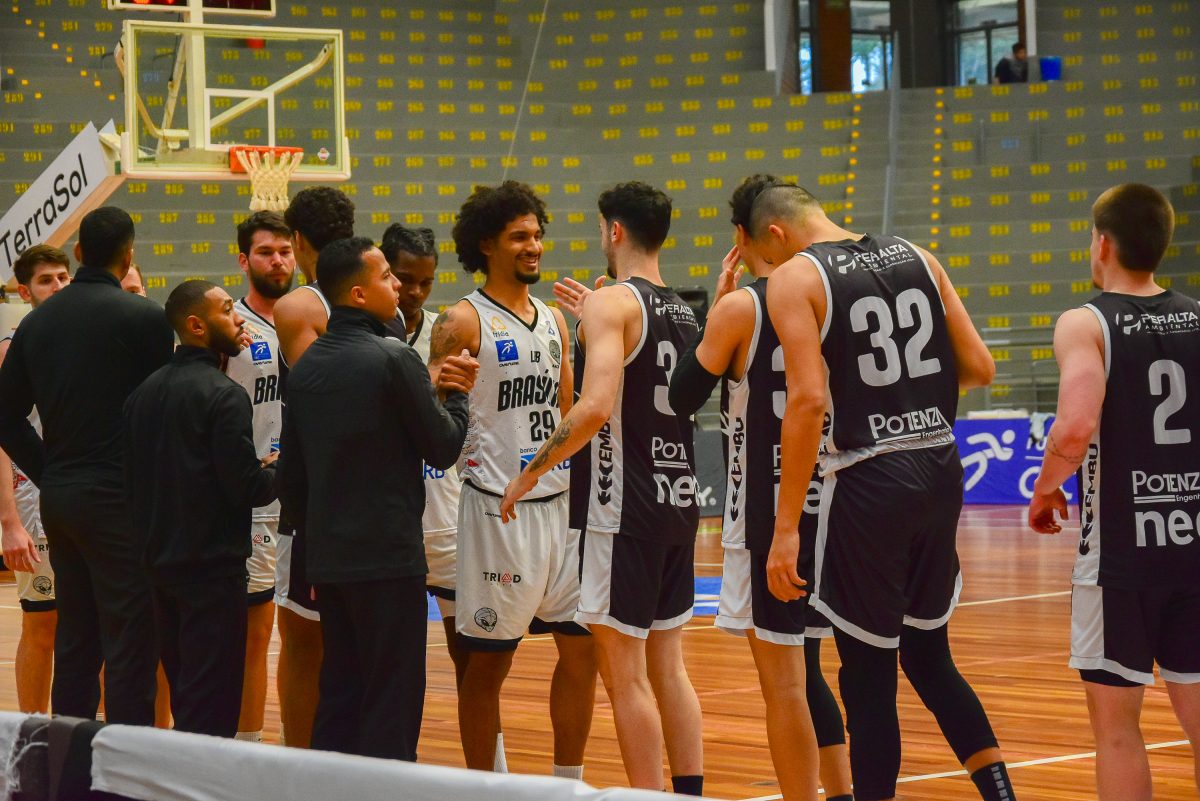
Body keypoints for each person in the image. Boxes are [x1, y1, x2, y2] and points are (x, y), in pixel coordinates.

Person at [760, 185, 1016, 801]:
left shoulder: (796, 277)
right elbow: (980, 367)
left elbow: (808, 401)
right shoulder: (920, 256)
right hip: (940, 465)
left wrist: (786, 528)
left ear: (776, 234)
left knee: (867, 676)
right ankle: (1002, 794)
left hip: (870, 478)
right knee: (929, 657)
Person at [499, 182, 703, 795]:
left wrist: (531, 471)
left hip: (622, 509)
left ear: (613, 230)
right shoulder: (683, 310)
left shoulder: (612, 303)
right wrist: (600, 316)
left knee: (625, 676)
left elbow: (592, 409)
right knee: (669, 669)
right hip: (678, 499)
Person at [665, 175, 850, 801]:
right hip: (841, 499)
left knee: (786, 685)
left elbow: (680, 396)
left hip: (770, 515)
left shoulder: (744, 307)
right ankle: (843, 792)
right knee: (816, 668)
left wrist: (716, 313)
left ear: (745, 237)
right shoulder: (839, 294)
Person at [1029, 184, 1200, 801]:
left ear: (1101, 243)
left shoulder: (1086, 321)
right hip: (1193, 546)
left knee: (1118, 733)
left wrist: (1046, 487)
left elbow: (1075, 425)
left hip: (1122, 560)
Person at [279, 237, 477, 760]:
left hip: (329, 563)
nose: (398, 286)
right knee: (393, 695)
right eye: (388, 276)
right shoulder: (395, 358)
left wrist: (314, 559)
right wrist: (457, 397)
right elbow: (443, 448)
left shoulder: (306, 367)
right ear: (360, 294)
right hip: (389, 559)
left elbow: (292, 481)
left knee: (340, 691)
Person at [429, 181, 596, 775]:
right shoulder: (461, 319)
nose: (534, 246)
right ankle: (488, 787)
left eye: (537, 235)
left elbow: (567, 409)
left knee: (583, 651)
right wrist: (437, 382)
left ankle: (567, 784)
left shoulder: (552, 318)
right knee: (487, 665)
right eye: (519, 236)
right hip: (497, 510)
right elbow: (428, 404)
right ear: (487, 244)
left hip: (561, 507)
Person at [0, 206, 172, 725]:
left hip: (61, 498)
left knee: (76, 634)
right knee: (130, 634)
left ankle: (67, 752)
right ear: (129, 256)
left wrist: (50, 469)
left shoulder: (35, 323)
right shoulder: (145, 317)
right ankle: (125, 756)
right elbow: (162, 413)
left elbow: (5, 417)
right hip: (121, 498)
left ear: (77, 254)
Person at [124, 279, 277, 737]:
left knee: (186, 694)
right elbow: (247, 487)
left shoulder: (142, 394)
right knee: (212, 709)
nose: (239, 318)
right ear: (196, 325)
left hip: (158, 569)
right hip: (211, 572)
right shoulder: (224, 395)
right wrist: (284, 467)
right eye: (227, 310)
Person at [272, 185, 355, 748]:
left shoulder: (301, 305)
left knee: (302, 642)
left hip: (317, 499)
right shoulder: (381, 296)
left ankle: (299, 768)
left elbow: (319, 403)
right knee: (354, 644)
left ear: (298, 240)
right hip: (373, 496)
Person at [379, 224, 469, 692]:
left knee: (470, 658)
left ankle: (486, 745)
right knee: (395, 664)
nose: (414, 291)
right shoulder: (366, 338)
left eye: (426, 282)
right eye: (404, 279)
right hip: (394, 525)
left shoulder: (448, 332)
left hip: (449, 519)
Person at [223, 210, 295, 742]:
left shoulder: (317, 320)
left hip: (310, 502)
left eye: (285, 251)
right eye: (266, 252)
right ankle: (246, 747)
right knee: (253, 635)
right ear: (244, 261)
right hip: (253, 505)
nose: (278, 261)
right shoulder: (231, 329)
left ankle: (302, 750)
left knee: (307, 633)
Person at [0, 245, 70, 713]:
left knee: (97, 624)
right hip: (32, 502)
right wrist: (9, 523)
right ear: (25, 292)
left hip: (83, 494)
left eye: (64, 277)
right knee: (42, 622)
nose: (59, 286)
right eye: (47, 280)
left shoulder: (87, 341)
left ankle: (92, 735)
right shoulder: (10, 349)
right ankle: (30, 733)